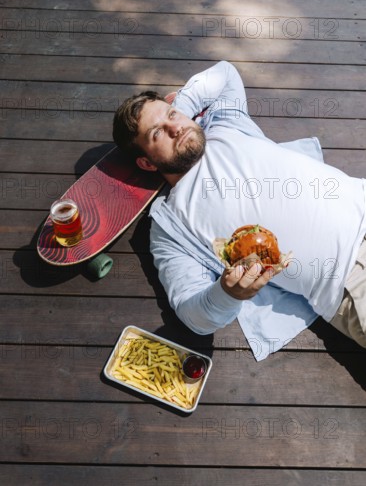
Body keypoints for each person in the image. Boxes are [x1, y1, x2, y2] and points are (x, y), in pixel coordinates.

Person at [113, 61, 366, 360]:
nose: (176, 127)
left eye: (172, 115)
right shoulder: (170, 225)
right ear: (147, 163)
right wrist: (228, 293)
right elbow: (192, 314)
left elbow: (225, 73)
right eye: (158, 133)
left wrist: (180, 104)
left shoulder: (226, 124)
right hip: (349, 279)